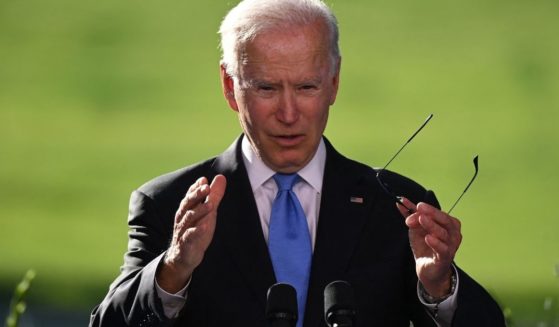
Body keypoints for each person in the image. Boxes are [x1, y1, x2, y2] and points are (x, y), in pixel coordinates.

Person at [90, 0, 505, 326]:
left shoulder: (396, 207)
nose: (289, 114)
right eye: (267, 87)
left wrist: (439, 287)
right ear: (230, 86)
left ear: (334, 82)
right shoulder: (168, 205)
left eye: (307, 86)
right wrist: (174, 269)